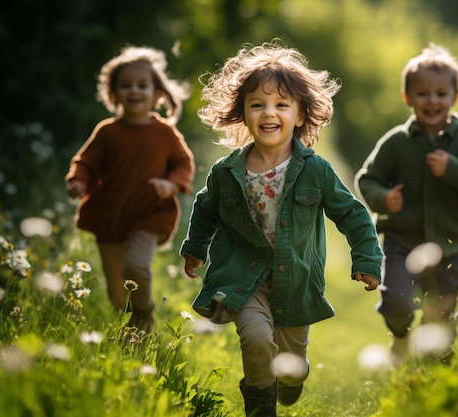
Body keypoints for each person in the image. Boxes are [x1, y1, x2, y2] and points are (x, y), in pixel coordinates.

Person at [179, 41, 383, 417]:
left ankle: (291, 379)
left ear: (301, 114)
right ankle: (260, 406)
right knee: (255, 339)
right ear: (242, 113)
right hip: (245, 277)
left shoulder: (315, 170)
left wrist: (367, 258)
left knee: (292, 364)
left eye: (281, 104)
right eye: (257, 104)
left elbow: (352, 214)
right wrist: (195, 247)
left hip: (297, 281)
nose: (268, 112)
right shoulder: (226, 172)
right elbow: (206, 208)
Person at [355, 43, 458, 364]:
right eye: (423, 93)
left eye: (441, 93)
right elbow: (366, 179)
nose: (432, 100)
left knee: (440, 316)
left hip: (450, 245)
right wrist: (384, 199)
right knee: (397, 303)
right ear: (407, 98)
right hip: (402, 241)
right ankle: (399, 336)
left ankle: (435, 377)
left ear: (454, 98)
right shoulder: (396, 141)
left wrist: (454, 168)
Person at [66, 45, 195, 333]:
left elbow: (183, 163)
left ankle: (144, 314)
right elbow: (86, 162)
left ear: (157, 93)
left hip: (149, 215)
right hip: (108, 217)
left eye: (141, 85)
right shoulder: (108, 131)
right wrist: (78, 181)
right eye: (125, 86)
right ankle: (127, 324)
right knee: (116, 291)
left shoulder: (164, 133)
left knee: (136, 268)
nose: (133, 91)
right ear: (113, 94)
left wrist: (171, 183)